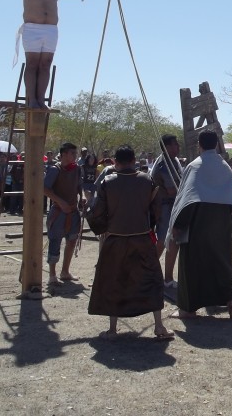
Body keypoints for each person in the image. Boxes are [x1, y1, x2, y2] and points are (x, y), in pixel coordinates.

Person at [87, 145, 173, 340]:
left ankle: (112, 329)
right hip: (142, 238)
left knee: (113, 281)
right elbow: (156, 211)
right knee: (151, 280)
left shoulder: (108, 182)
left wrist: (96, 221)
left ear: (115, 163)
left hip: (115, 239)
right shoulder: (147, 180)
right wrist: (147, 225)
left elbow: (98, 212)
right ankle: (159, 326)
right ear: (134, 160)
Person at [167, 130, 232, 319]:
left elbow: (188, 199)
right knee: (221, 263)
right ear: (216, 144)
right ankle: (230, 300)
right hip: (221, 223)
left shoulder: (195, 166)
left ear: (199, 144)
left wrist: (178, 224)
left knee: (191, 264)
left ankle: (187, 308)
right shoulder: (225, 167)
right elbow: (230, 201)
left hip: (198, 222)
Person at [43, 142, 85, 285]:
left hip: (73, 211)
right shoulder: (55, 169)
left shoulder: (77, 169)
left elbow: (80, 186)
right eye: (72, 153)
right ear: (64, 154)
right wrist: (61, 202)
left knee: (72, 241)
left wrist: (83, 196)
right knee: (55, 241)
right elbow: (45, 189)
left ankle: (65, 271)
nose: (75, 155)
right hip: (58, 212)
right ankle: (52, 275)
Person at [150, 134, 183, 288]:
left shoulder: (173, 161)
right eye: (175, 144)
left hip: (171, 206)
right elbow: (172, 190)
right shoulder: (165, 164)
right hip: (165, 206)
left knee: (169, 242)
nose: (178, 147)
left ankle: (162, 276)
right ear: (168, 147)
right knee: (166, 241)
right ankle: (159, 276)